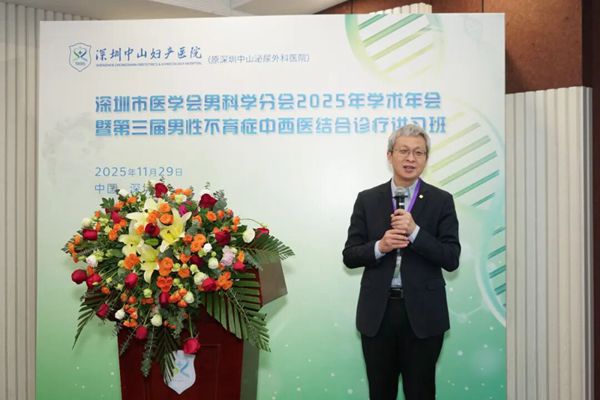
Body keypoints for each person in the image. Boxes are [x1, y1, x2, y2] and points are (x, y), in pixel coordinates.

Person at [343, 124, 460, 400]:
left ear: (426, 158)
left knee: (421, 392)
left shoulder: (441, 201)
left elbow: (451, 258)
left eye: (418, 152)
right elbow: (350, 255)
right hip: (378, 313)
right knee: (380, 393)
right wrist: (380, 247)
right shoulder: (367, 199)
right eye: (404, 151)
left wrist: (415, 232)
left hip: (423, 315)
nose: (411, 158)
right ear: (390, 155)